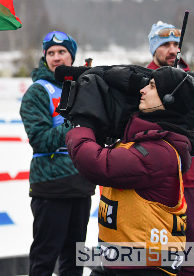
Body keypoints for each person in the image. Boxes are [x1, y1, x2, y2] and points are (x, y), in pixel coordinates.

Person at [66, 66, 194, 276]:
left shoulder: (159, 152)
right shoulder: (142, 143)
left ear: (169, 99)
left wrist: (83, 123)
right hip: (123, 260)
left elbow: (97, 164)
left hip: (146, 264)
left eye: (152, 86)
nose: (143, 90)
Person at [19, 31, 96, 276]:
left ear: (72, 56)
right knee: (44, 257)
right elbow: (41, 140)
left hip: (81, 184)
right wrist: (75, 124)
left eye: (62, 52)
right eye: (50, 53)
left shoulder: (83, 88)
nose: (56, 57)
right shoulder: (38, 92)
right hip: (51, 185)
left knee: (74, 260)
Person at [147, 21, 193, 276]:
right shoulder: (142, 81)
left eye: (176, 44)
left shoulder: (189, 80)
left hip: (190, 178)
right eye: (165, 44)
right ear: (153, 48)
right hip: (158, 179)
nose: (172, 49)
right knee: (163, 250)